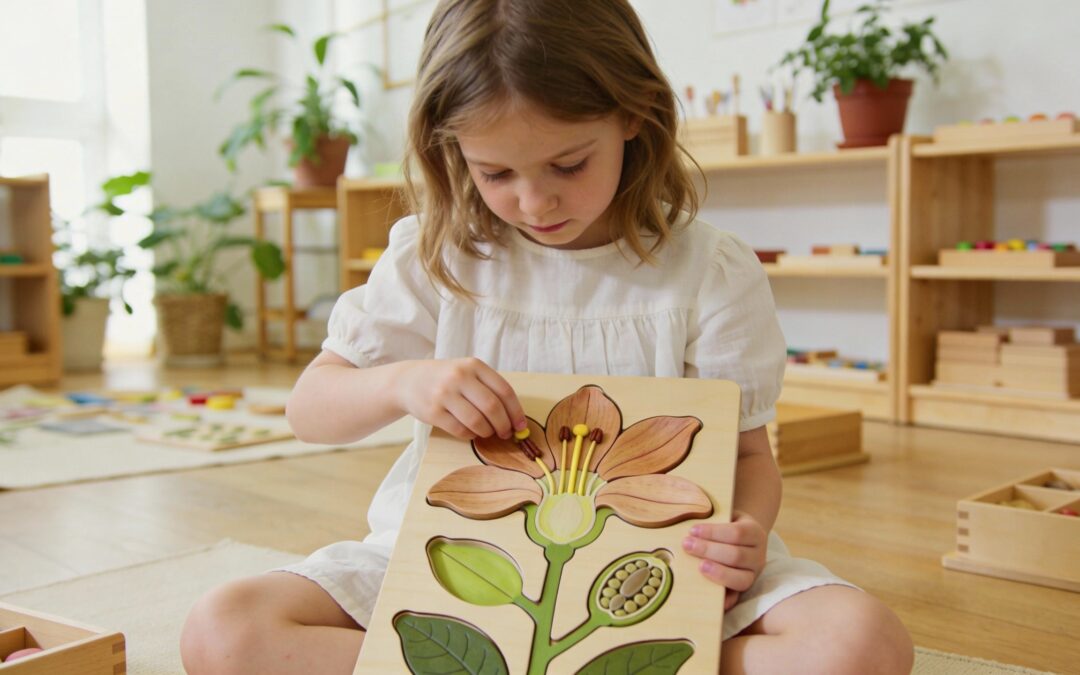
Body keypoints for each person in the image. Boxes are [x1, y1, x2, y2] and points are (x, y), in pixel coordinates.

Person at [181, 1, 914, 673]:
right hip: (447, 562)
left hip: (657, 573)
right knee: (224, 629)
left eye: (568, 163)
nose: (535, 201)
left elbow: (749, 454)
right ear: (451, 151)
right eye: (495, 172)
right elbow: (312, 407)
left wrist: (746, 527)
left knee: (861, 643)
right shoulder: (434, 254)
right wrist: (403, 382)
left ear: (634, 113)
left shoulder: (709, 271)